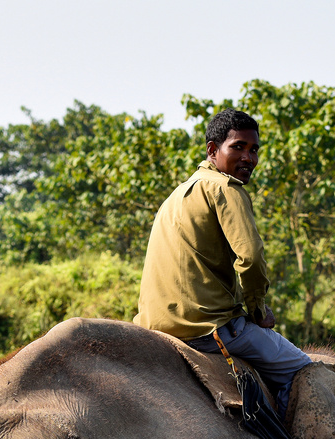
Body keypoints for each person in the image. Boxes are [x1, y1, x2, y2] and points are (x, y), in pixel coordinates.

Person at [134, 108, 312, 418]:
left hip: (152, 325)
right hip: (207, 327)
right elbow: (252, 258)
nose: (248, 157)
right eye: (238, 147)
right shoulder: (226, 188)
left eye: (253, 149)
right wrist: (257, 310)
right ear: (213, 150)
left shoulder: (177, 194)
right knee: (303, 372)